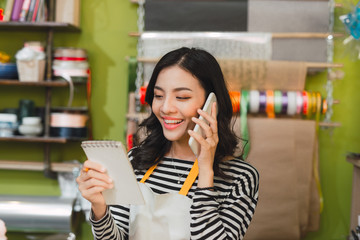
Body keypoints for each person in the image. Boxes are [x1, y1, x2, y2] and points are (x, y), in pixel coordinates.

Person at [77, 47, 259, 240]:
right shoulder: (136, 160)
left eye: (182, 97)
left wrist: (205, 171)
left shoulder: (240, 178)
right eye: (158, 95)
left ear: (211, 104)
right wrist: (99, 207)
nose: (165, 108)